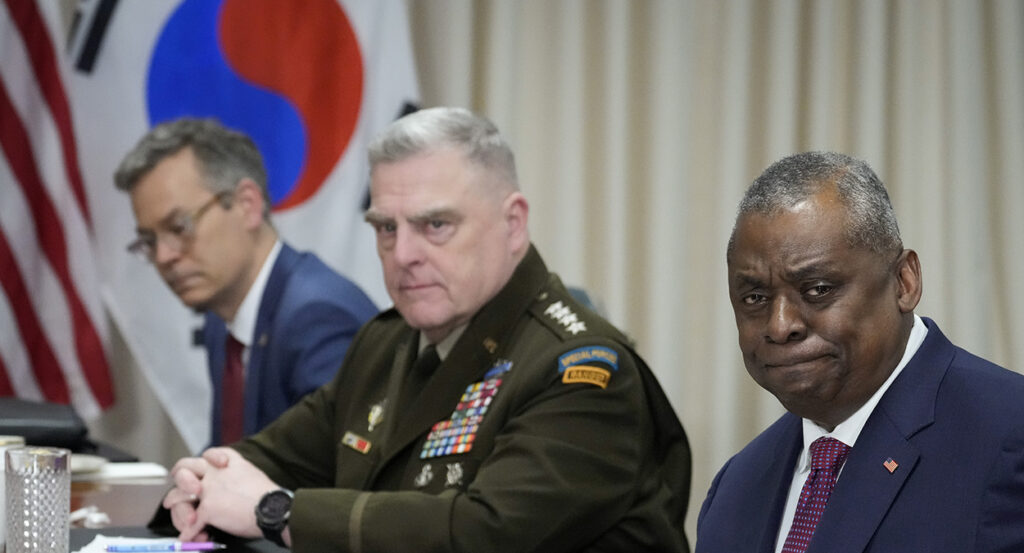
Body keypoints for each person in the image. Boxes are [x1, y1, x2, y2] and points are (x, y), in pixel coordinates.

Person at [154, 107, 691, 552]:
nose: (403, 254)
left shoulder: (583, 370)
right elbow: (276, 455)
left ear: (513, 223)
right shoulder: (388, 340)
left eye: (436, 225)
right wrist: (202, 480)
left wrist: (276, 511)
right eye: (386, 228)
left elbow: (484, 533)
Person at [696, 151, 1024, 552]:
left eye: (818, 289)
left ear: (904, 282)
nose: (780, 326)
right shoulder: (736, 489)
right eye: (755, 298)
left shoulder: (1009, 435)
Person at [114, 118, 378, 446]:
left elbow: (333, 484)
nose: (164, 256)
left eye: (179, 226)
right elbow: (231, 464)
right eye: (149, 240)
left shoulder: (317, 318)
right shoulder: (220, 322)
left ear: (247, 205)